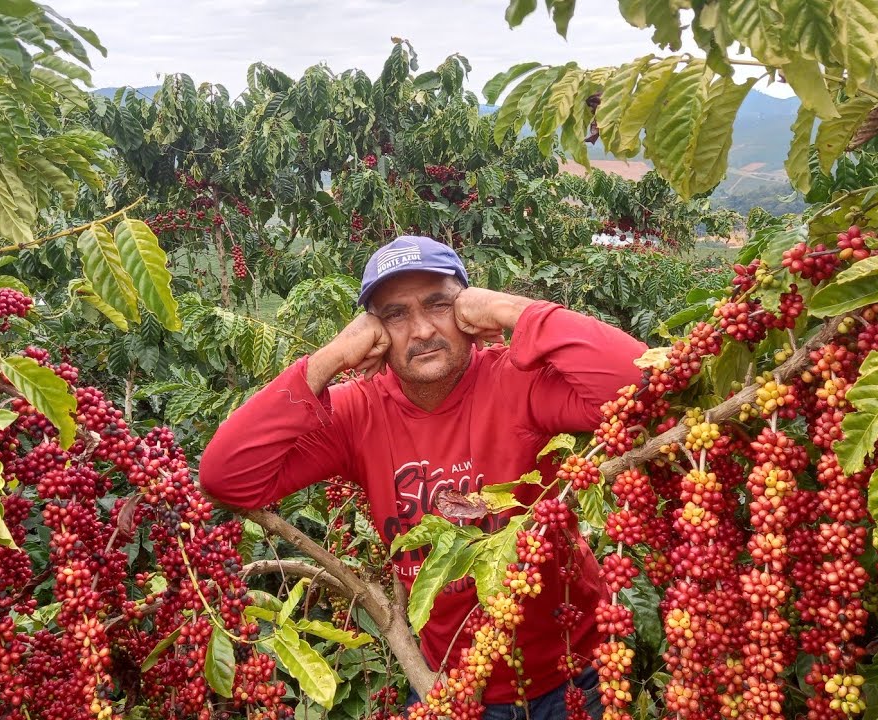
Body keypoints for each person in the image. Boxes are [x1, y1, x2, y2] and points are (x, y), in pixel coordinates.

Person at [199, 235, 648, 719]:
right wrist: (330, 359)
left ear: (469, 312)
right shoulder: (360, 412)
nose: (421, 331)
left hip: (574, 674)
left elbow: (642, 386)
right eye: (395, 314)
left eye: (440, 304)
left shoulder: (517, 380)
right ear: (373, 332)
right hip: (451, 684)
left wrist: (510, 308)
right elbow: (227, 476)